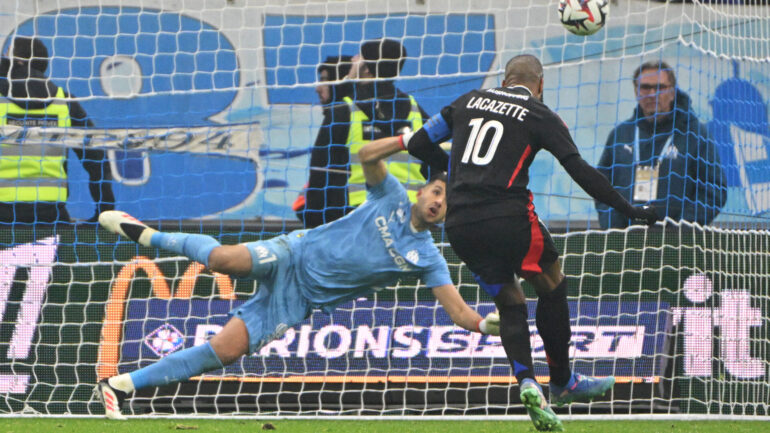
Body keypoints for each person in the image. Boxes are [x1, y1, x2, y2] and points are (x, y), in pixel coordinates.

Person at [94, 137, 501, 420]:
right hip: (293, 252)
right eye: (435, 192)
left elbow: (459, 312)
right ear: (422, 190)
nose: (437, 202)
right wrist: (411, 138)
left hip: (299, 300)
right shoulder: (389, 194)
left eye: (445, 202)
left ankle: (120, 385)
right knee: (222, 259)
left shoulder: (426, 257)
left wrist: (485, 324)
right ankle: (148, 234)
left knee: (225, 351)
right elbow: (365, 154)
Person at [378, 54, 660, 431]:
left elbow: (416, 144)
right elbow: (578, 168)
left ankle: (528, 381)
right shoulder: (538, 113)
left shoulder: (468, 100)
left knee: (510, 303)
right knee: (552, 282)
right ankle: (562, 381)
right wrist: (626, 207)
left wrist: (450, 171)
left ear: (505, 78)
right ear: (539, 84)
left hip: (460, 224)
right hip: (509, 219)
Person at [299, 38, 431, 228]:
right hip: (408, 220)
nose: (353, 60)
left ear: (367, 69)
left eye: (359, 56)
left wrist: (315, 231)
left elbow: (320, 178)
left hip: (358, 218)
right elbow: (433, 169)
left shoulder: (343, 111)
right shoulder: (416, 111)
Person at [595, 60, 727, 229]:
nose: (652, 94)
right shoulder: (621, 134)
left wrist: (680, 230)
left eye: (659, 87)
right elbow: (600, 186)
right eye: (645, 87)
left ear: (672, 92)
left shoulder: (695, 134)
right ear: (636, 91)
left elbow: (714, 190)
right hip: (624, 243)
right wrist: (614, 227)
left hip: (677, 245)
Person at [0, 36, 114, 224]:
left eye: (5, 56)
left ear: (17, 61)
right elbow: (98, 161)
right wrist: (104, 213)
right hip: (50, 218)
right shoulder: (64, 102)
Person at [293, 55, 354, 226]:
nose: (318, 89)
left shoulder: (340, 113)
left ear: (340, 83)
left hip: (336, 222)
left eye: (325, 81)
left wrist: (310, 217)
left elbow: (320, 171)